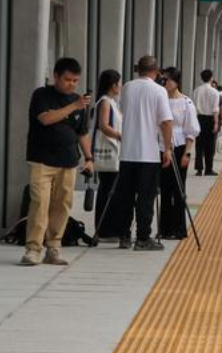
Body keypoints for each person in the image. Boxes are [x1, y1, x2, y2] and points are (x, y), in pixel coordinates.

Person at [20, 57, 93, 266]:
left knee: (62, 204)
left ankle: (53, 247)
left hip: (68, 161)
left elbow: (82, 133)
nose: (72, 84)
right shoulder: (41, 95)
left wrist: (89, 158)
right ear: (56, 76)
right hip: (42, 160)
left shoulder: (79, 102)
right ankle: (33, 248)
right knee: (40, 203)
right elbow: (46, 119)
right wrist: (74, 106)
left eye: (75, 81)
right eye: (68, 80)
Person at [114, 56, 174, 251]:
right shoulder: (159, 91)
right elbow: (166, 122)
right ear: (156, 72)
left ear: (138, 70)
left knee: (126, 197)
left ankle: (124, 236)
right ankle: (142, 238)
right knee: (146, 198)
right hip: (148, 154)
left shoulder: (127, 87)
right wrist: (168, 148)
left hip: (127, 153)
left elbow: (122, 111)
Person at [159, 68, 200, 239]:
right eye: (163, 80)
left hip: (179, 147)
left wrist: (187, 154)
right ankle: (164, 228)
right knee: (164, 189)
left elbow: (191, 130)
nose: (166, 83)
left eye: (168, 80)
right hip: (161, 147)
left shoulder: (186, 102)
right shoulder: (160, 100)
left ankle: (179, 228)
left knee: (178, 189)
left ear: (177, 81)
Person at [91, 69, 124, 241]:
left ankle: (108, 229)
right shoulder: (105, 102)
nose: (121, 86)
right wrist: (120, 136)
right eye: (119, 83)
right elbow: (103, 126)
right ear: (113, 85)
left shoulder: (111, 102)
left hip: (113, 151)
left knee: (110, 190)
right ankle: (105, 230)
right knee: (109, 191)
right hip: (110, 151)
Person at [192, 69, 220, 176]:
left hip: (199, 119)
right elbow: (215, 109)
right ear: (211, 78)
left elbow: (193, 106)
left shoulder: (196, 90)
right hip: (210, 119)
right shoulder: (215, 92)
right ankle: (209, 169)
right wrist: (216, 123)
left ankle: (199, 169)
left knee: (199, 144)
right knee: (210, 145)